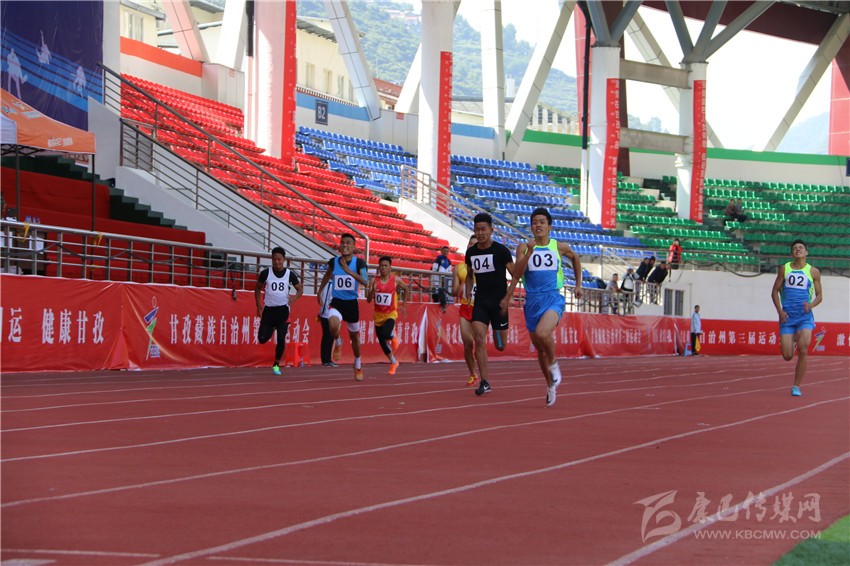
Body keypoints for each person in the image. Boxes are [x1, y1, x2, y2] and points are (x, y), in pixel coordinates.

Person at [503, 207, 581, 407]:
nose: (538, 225)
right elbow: (517, 274)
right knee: (540, 349)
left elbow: (575, 258)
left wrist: (579, 285)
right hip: (532, 301)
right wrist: (529, 252)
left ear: (549, 227)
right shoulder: (523, 247)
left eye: (542, 222)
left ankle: (554, 364)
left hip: (553, 297)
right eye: (535, 222)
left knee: (542, 332)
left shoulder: (559, 246)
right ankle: (550, 384)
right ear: (531, 227)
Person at [465, 212, 515, 396]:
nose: (480, 233)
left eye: (483, 229)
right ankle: (484, 381)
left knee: (501, 346)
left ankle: (497, 332)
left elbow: (515, 274)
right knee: (479, 339)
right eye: (477, 230)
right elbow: (469, 275)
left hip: (499, 304)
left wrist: (508, 297)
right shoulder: (471, 252)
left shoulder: (501, 251)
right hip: (481, 302)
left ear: (491, 230)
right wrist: (468, 292)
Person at [770, 239, 823, 397]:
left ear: (806, 252)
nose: (798, 249)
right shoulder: (784, 269)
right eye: (795, 248)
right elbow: (774, 292)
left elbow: (820, 296)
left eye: (801, 248)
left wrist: (811, 305)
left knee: (804, 349)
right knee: (787, 356)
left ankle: (796, 386)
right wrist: (780, 311)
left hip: (804, 316)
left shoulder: (813, 272)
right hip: (787, 317)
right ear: (792, 253)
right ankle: (792, 340)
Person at [318, 233, 369, 380]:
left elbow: (365, 281)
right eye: (343, 242)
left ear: (353, 247)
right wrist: (320, 291)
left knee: (354, 337)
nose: (345, 245)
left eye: (348, 243)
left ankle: (358, 363)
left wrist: (348, 271)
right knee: (332, 323)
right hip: (337, 302)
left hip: (351, 304)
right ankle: (338, 341)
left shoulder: (359, 263)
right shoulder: (334, 262)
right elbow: (327, 275)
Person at [255, 246, 303, 375]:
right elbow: (257, 288)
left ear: (284, 260)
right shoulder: (266, 273)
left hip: (283, 311)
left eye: (279, 259)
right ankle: (272, 328)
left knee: (281, 339)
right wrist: (258, 306)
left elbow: (300, 289)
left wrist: (293, 299)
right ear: (272, 259)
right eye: (274, 259)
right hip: (269, 311)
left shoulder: (289, 274)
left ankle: (276, 365)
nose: (277, 262)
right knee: (262, 339)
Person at [366, 255, 410, 375]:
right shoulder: (374, 280)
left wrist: (404, 305)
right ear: (378, 267)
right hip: (378, 315)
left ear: (390, 268)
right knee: (382, 343)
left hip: (390, 314)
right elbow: (369, 300)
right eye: (381, 266)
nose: (383, 268)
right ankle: (394, 362)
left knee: (386, 334)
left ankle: (393, 335)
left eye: (386, 266)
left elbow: (406, 289)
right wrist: (372, 290)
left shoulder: (395, 279)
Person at [452, 235, 479, 387]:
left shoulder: (484, 266)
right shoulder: (459, 268)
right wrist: (459, 288)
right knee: (467, 343)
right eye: (470, 243)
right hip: (465, 307)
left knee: (479, 343)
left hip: (480, 308)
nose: (472, 246)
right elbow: (454, 291)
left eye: (475, 244)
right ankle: (473, 373)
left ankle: (482, 371)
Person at [317, 277, 337, 367]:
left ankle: (328, 359)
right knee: (327, 336)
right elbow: (325, 301)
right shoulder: (329, 284)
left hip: (331, 314)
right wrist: (324, 312)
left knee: (330, 336)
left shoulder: (333, 284)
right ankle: (325, 359)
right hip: (327, 314)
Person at [431, 245, 452, 312]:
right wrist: (435, 279)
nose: (446, 252)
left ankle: (443, 305)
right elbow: (434, 269)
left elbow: (449, 271)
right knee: (436, 292)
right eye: (444, 251)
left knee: (443, 292)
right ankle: (436, 305)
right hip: (437, 279)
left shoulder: (449, 261)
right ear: (441, 251)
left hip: (444, 280)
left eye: (447, 251)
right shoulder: (438, 259)